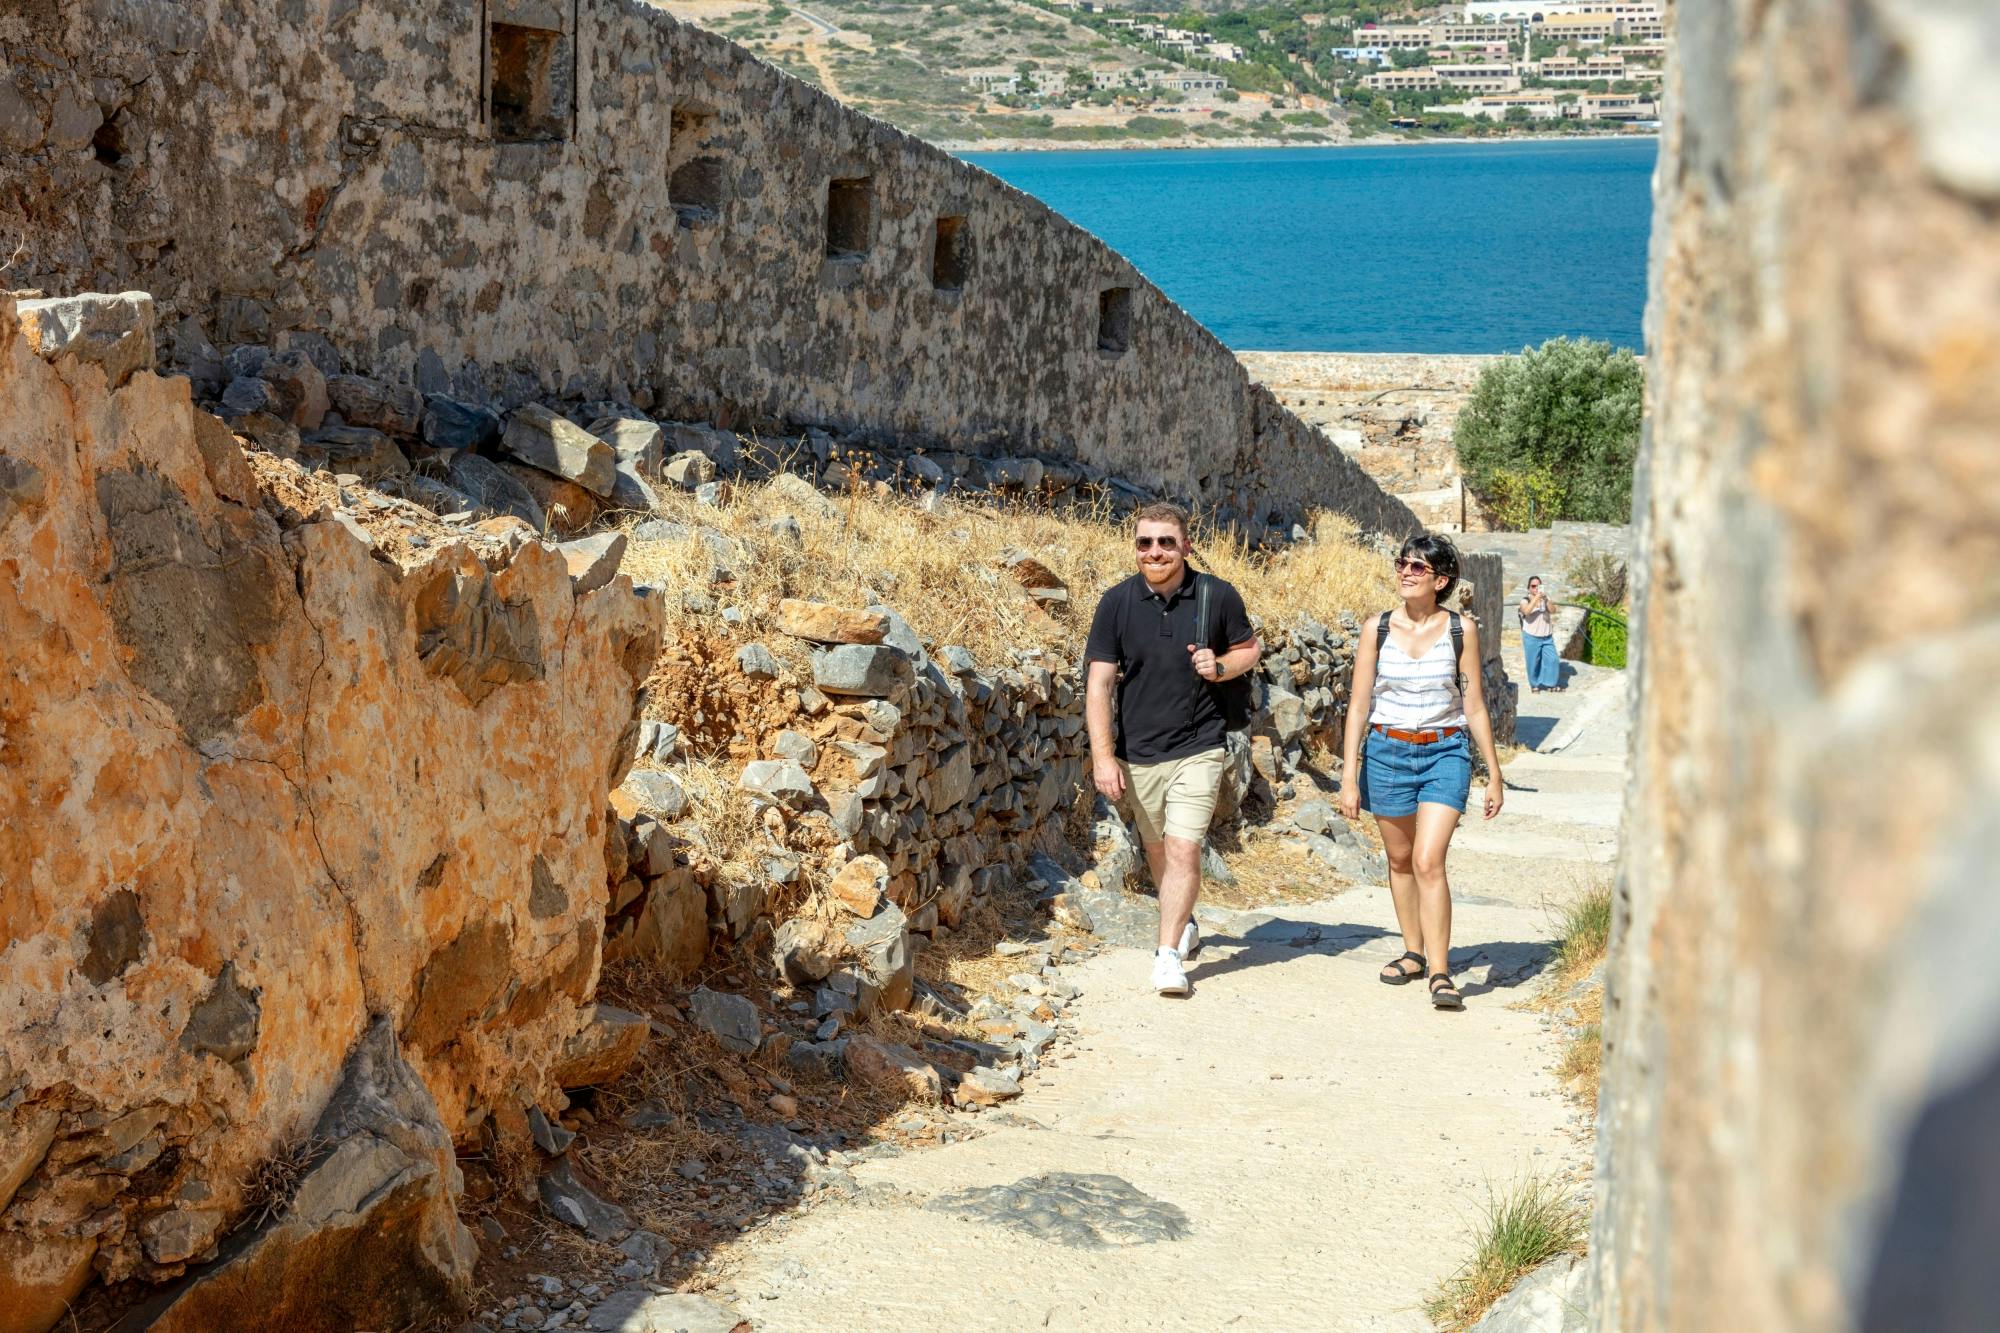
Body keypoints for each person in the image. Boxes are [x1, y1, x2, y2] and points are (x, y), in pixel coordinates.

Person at [1085, 502, 1261, 997]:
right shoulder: (1116, 603)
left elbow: (1250, 649)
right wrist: (1103, 757)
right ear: (1136, 546)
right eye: (1145, 542)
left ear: (1185, 545)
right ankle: (1181, 921)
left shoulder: (1216, 595)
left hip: (1199, 744)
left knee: (1184, 846)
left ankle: (1166, 957)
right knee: (1159, 848)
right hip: (1137, 750)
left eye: (1166, 541)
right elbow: (1099, 686)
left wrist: (1220, 668)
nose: (1155, 551)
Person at [1337, 534, 1504, 1010]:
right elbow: (1358, 705)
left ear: (1441, 580)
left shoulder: (1460, 630)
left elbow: (1472, 703)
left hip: (1444, 752)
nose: (1405, 572)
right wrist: (1349, 776)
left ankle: (1440, 970)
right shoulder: (1377, 629)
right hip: (1387, 752)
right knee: (1400, 860)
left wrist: (1493, 772)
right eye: (1402, 564)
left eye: (1416, 567)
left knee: (1429, 860)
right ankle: (1413, 951)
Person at [1519, 575, 1561, 693]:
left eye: (1538, 586)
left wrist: (1546, 600)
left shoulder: (1546, 598)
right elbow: (1526, 611)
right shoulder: (1525, 600)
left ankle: (1550, 683)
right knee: (1533, 662)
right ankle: (1535, 685)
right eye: (1533, 586)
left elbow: (1553, 610)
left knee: (1553, 659)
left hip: (1546, 636)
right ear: (1529, 588)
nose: (1536, 588)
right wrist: (1535, 599)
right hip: (1531, 636)